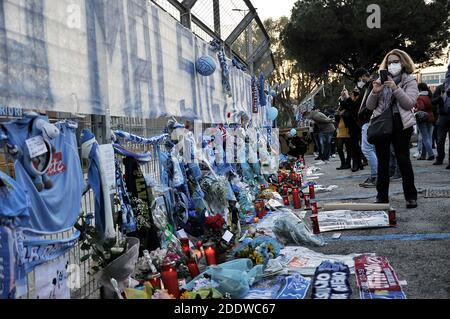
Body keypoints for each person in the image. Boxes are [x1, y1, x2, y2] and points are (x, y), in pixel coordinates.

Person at [366, 49, 418, 209]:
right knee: (383, 161)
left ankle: (410, 196)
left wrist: (395, 88)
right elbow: (369, 106)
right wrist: (375, 92)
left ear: (403, 63)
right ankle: (381, 196)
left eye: (396, 61)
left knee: (403, 159)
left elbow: (409, 103)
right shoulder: (379, 80)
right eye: (389, 62)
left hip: (401, 124)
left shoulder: (409, 80)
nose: (392, 65)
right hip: (382, 123)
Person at [356, 68, 378, 188]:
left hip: (368, 120)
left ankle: (376, 176)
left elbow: (369, 104)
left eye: (360, 78)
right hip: (368, 119)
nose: (360, 81)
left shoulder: (372, 85)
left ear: (364, 76)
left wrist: (362, 113)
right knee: (372, 149)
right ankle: (376, 175)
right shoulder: (368, 86)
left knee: (367, 149)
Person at [432, 63, 450, 169]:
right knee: (440, 139)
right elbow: (432, 101)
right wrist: (439, 98)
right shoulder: (440, 88)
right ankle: (440, 158)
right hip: (442, 116)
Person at [415, 83, 435, 161]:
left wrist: (415, 109)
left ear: (419, 89)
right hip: (431, 117)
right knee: (428, 137)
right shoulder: (430, 95)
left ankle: (431, 154)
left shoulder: (420, 97)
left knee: (425, 137)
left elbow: (421, 108)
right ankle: (423, 155)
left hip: (422, 118)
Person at [335, 100, 352, 170]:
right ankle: (343, 163)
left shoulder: (348, 110)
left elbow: (348, 117)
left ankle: (348, 163)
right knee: (339, 148)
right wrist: (337, 112)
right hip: (340, 131)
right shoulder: (340, 110)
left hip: (347, 131)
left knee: (348, 149)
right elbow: (336, 118)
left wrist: (342, 113)